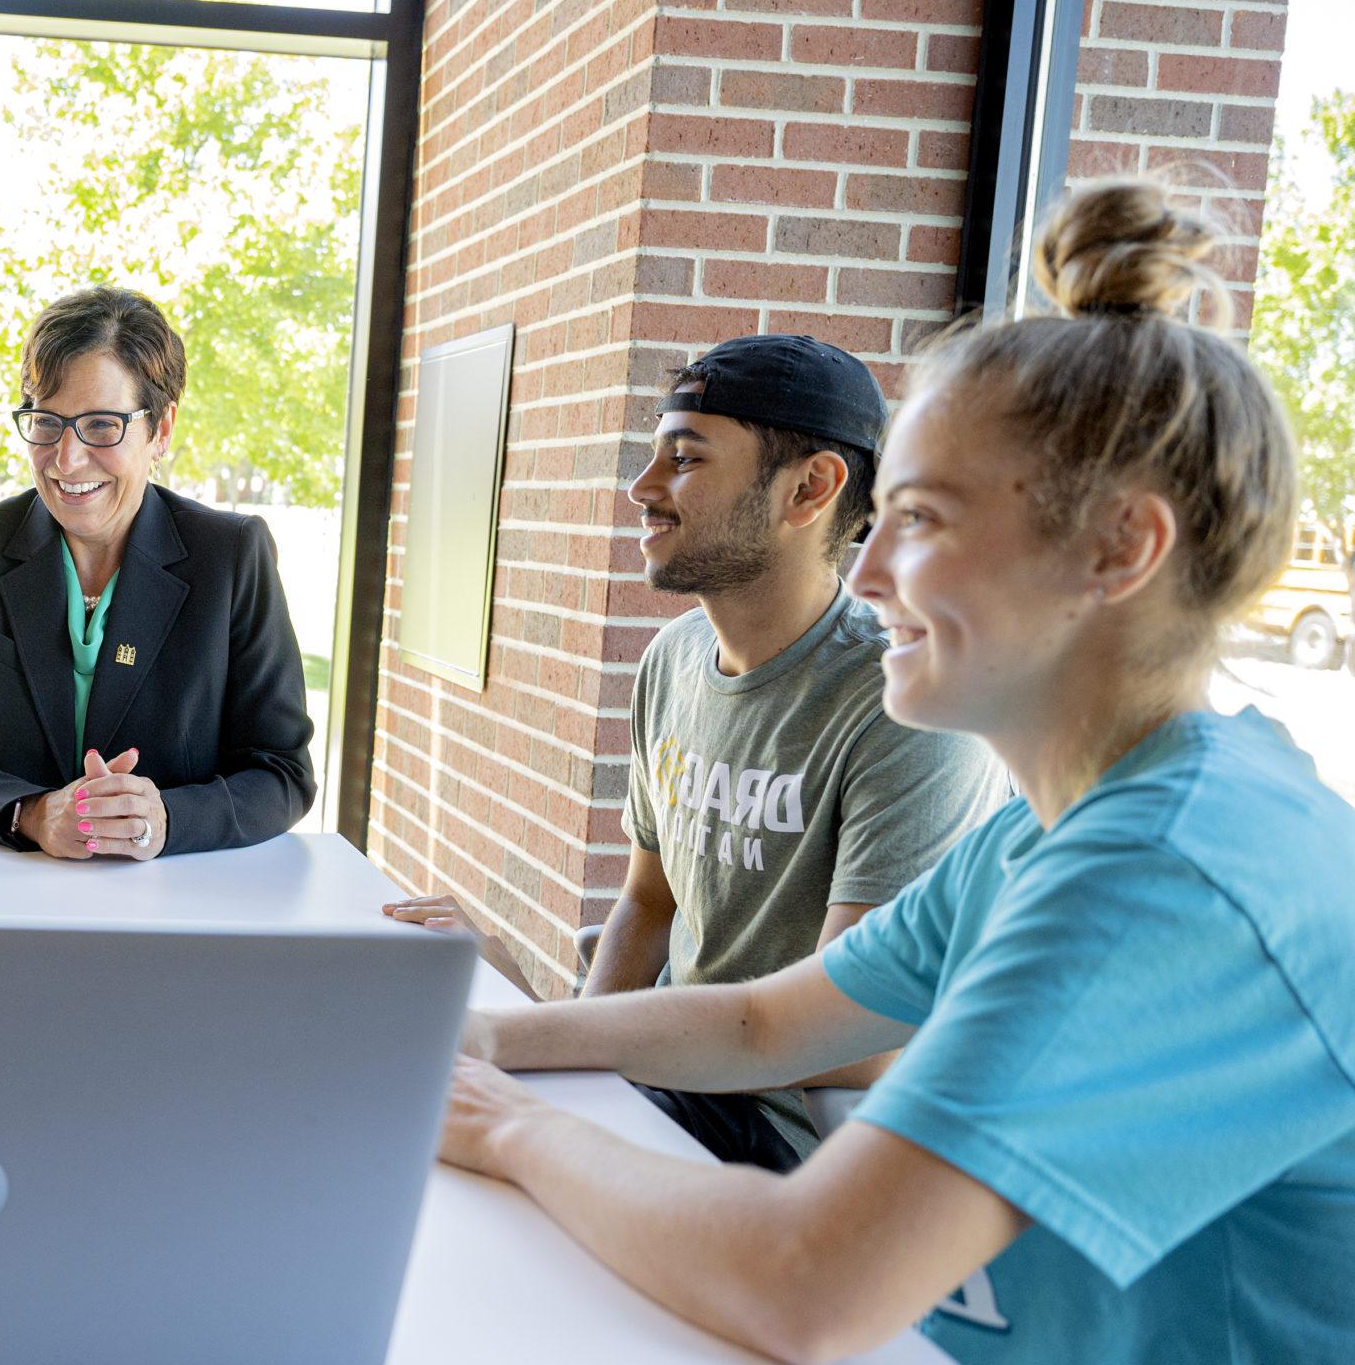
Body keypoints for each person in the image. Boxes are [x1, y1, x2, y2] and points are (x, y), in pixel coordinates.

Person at [436, 180, 1355, 1365]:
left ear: (1121, 547)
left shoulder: (1174, 873)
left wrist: (505, 1125)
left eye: (918, 518)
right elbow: (767, 1016)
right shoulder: (1074, 815)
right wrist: (490, 1039)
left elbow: (808, 1279)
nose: (867, 580)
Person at [390, 335, 1006, 1168]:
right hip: (668, 1088)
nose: (642, 489)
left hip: (796, 1142)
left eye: (683, 459)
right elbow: (648, 904)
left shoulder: (903, 707)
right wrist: (560, 1064)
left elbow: (845, 1041)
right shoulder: (673, 659)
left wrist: (521, 1038)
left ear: (809, 488)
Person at [0, 286, 314, 859]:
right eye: (46, 423)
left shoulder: (231, 557)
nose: (67, 459)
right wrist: (32, 814)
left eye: (102, 425)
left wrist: (166, 819)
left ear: (160, 429)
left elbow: (282, 770)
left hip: (176, 910)